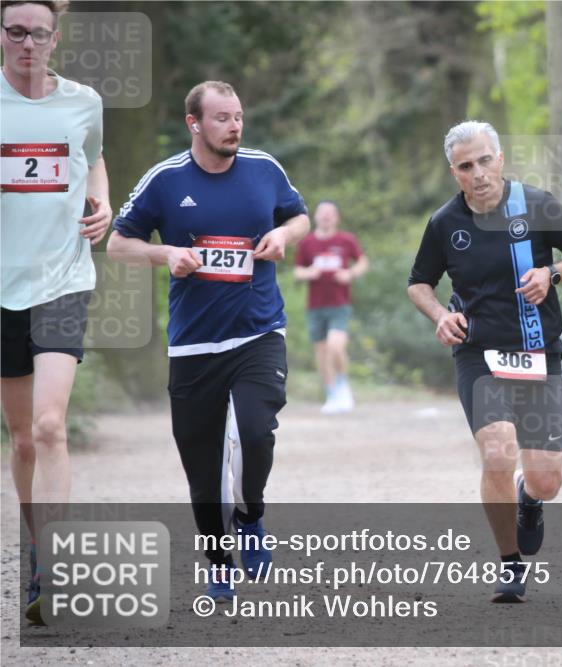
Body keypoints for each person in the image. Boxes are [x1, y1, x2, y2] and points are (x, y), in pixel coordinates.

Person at [107, 81, 309, 603]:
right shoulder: (166, 180)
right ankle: (218, 561)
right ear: (194, 123)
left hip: (259, 331)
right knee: (202, 465)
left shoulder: (265, 168)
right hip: (195, 344)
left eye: (238, 116)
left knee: (256, 433)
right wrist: (166, 254)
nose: (235, 126)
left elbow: (299, 216)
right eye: (222, 118)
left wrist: (284, 237)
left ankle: (251, 515)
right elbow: (118, 244)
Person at [407, 121, 562, 602]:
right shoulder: (444, 224)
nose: (479, 173)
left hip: (538, 353)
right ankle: (510, 565)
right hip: (479, 355)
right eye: (466, 166)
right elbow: (419, 283)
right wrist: (439, 316)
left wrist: (551, 273)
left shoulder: (535, 204)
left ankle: (529, 497)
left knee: (547, 480)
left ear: (500, 158)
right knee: (496, 450)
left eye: (485, 160)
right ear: (454, 172)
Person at [0, 0, 111, 624]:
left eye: (38, 34)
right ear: (1, 35)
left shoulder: (83, 102)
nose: (27, 44)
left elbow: (91, 158)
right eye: (16, 32)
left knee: (49, 427)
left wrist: (101, 203)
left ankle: (52, 566)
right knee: (20, 441)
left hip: (63, 278)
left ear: (54, 38)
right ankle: (37, 541)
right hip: (1, 285)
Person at [293, 200, 368, 414]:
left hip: (339, 303)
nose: (326, 216)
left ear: (336, 218)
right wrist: (309, 273)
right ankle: (331, 393)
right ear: (315, 217)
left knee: (336, 346)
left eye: (330, 213)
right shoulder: (307, 243)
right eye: (322, 213)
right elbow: (298, 271)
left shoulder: (345, 240)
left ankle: (343, 387)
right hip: (315, 305)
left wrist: (350, 274)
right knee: (322, 351)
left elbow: (362, 262)